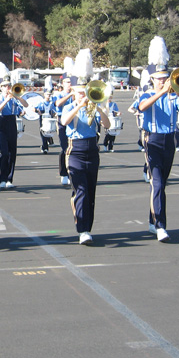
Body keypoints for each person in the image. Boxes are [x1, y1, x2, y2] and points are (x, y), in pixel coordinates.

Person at [138, 37, 179, 242]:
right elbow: (142, 108)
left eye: (165, 78)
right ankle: (161, 225)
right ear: (152, 79)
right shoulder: (145, 94)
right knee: (158, 183)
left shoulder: (173, 96)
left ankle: (153, 221)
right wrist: (160, 92)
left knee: (162, 183)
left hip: (169, 140)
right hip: (152, 140)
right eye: (160, 78)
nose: (163, 81)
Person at [60, 78, 110, 245]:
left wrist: (100, 109)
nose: (83, 95)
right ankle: (82, 230)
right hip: (75, 150)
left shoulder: (93, 108)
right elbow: (64, 121)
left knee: (90, 191)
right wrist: (79, 106)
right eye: (79, 92)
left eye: (84, 92)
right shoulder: (69, 106)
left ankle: (88, 227)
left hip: (92, 149)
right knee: (80, 190)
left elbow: (107, 125)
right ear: (73, 92)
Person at [0, 77, 27, 188]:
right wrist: (6, 100)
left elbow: (25, 105)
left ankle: (9, 179)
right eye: (4, 86)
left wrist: (18, 99)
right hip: (1, 125)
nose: (7, 88)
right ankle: (2, 178)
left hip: (12, 124)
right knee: (4, 153)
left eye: (8, 86)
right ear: (0, 88)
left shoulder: (14, 99)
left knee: (12, 153)